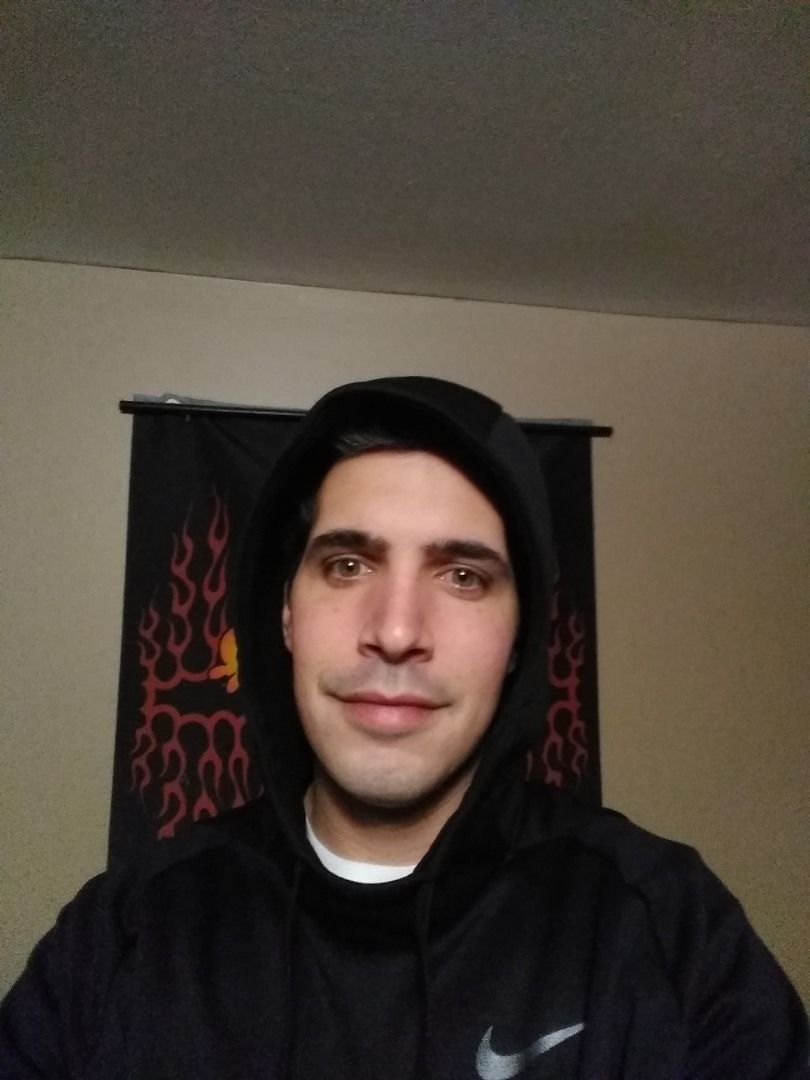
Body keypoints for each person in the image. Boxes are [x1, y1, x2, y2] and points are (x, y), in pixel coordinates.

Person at [1, 376, 807, 1079]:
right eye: (347, 565)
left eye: (463, 576)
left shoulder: (664, 925)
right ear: (285, 615)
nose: (394, 631)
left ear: (520, 639)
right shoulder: (129, 930)